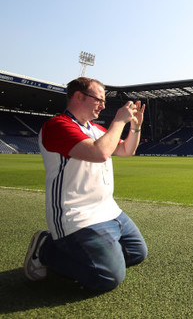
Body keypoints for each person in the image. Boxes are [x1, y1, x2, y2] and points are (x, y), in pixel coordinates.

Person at [23, 77, 148, 290]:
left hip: (110, 211)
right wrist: (119, 120)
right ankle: (46, 249)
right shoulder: (57, 125)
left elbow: (127, 150)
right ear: (79, 97)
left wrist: (135, 127)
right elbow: (99, 152)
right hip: (77, 216)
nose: (103, 105)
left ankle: (93, 254)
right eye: (99, 99)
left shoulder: (97, 130)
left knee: (137, 253)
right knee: (107, 277)